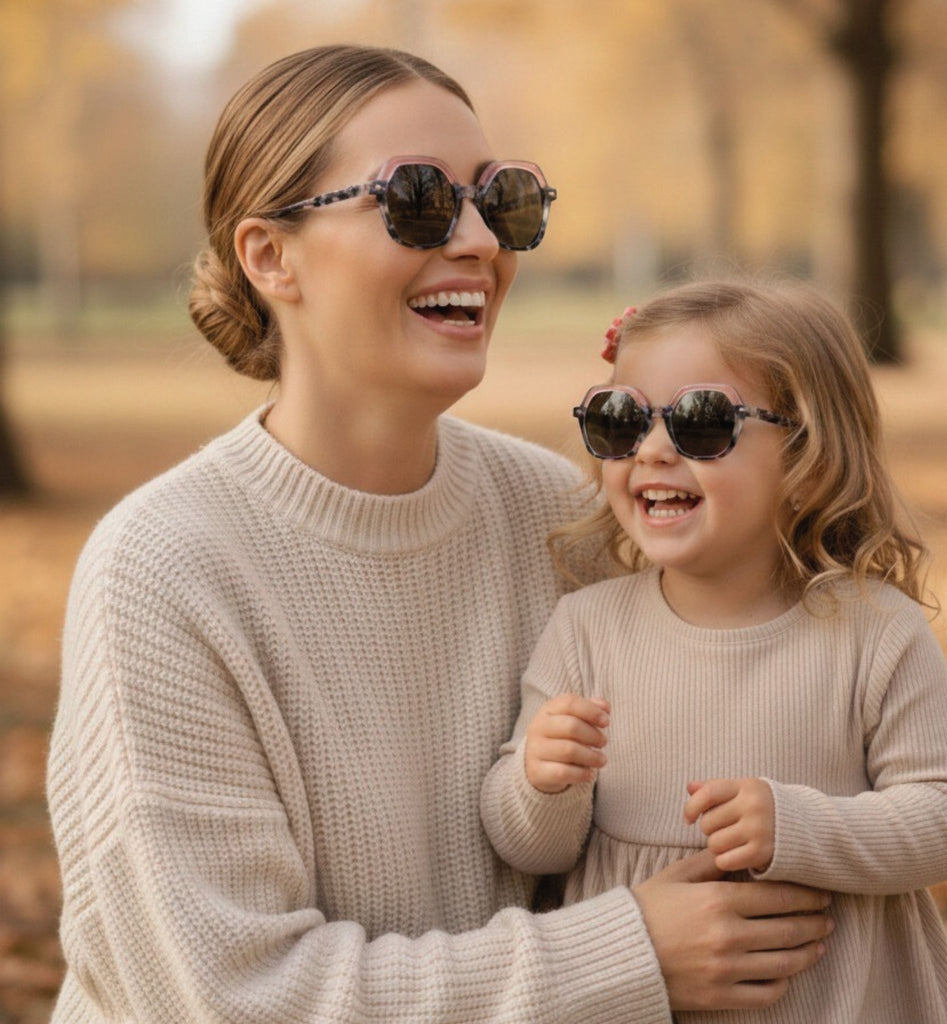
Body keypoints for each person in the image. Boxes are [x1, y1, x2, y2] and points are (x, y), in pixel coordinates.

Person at [46, 47, 833, 1023]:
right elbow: (236, 997)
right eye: (417, 198)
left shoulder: (561, 518)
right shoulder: (162, 569)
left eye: (501, 201)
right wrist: (625, 955)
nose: (476, 241)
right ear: (269, 256)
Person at [481, 279, 947, 1023]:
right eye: (622, 421)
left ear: (808, 457)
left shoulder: (872, 629)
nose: (653, 451)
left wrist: (801, 828)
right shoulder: (586, 628)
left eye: (700, 422)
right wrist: (540, 783)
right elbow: (534, 850)